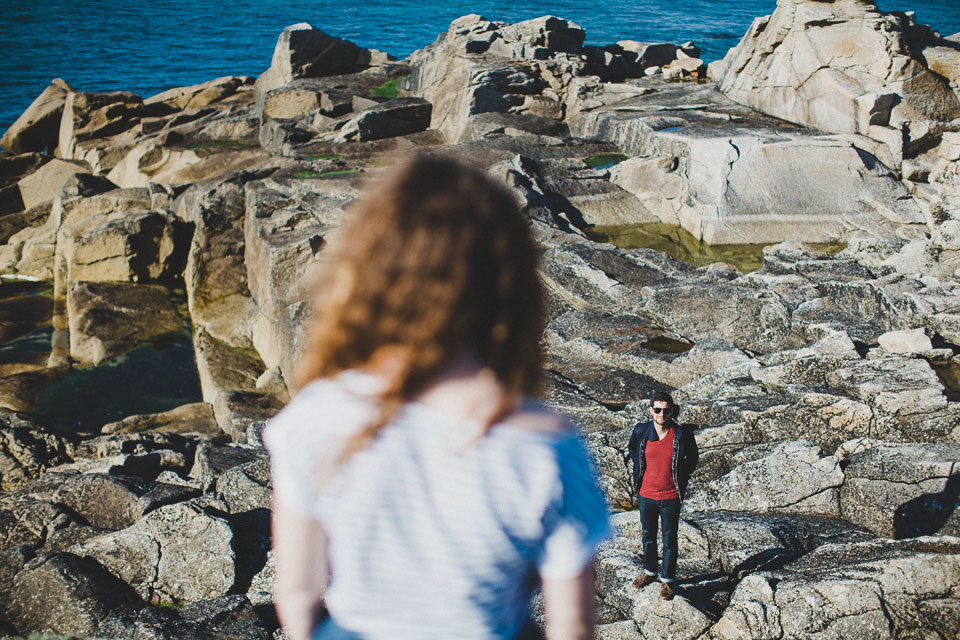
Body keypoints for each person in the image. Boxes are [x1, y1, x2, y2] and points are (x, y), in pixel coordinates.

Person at [263, 155, 612, 640]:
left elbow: (297, 592)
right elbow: (572, 622)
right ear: (509, 286)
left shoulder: (312, 418)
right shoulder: (545, 446)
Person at [624, 391, 698, 600]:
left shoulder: (681, 435)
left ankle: (667, 580)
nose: (661, 414)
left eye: (666, 410)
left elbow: (692, 459)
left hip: (670, 496)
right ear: (651, 410)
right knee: (648, 535)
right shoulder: (641, 431)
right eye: (657, 410)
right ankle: (649, 571)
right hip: (646, 494)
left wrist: (681, 478)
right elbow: (632, 449)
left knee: (669, 539)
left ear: (672, 411)